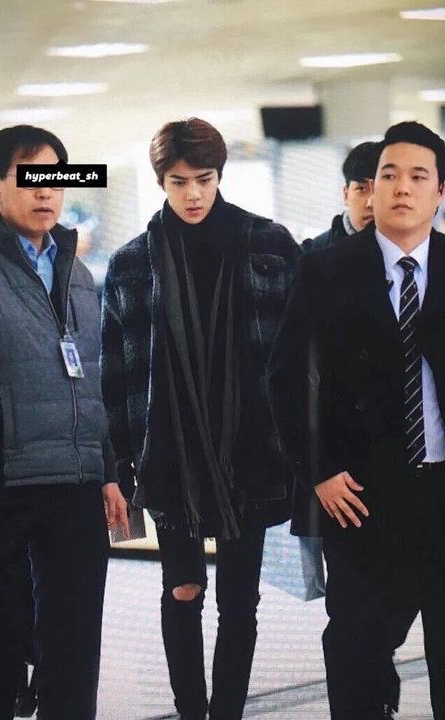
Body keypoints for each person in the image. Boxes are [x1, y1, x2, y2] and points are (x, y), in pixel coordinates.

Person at [101, 117, 299, 720]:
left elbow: (302, 357)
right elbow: (116, 375)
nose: (193, 194)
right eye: (179, 181)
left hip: (252, 450)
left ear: (220, 176)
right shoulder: (132, 263)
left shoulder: (269, 244)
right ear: (161, 181)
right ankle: (192, 710)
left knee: (239, 600)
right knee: (182, 589)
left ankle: (227, 712)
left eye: (204, 179)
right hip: (171, 456)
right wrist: (117, 465)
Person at [268, 120, 445, 720]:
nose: (401, 187)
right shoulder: (326, 269)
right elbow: (284, 378)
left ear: (439, 191)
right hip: (361, 492)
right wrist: (317, 469)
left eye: (417, 176)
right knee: (356, 648)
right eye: (388, 175)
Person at [0, 124, 127, 720]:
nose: (45, 191)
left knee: (74, 649)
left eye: (56, 178)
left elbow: (92, 378)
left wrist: (108, 471)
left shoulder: (78, 272)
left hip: (76, 482)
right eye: (29, 177)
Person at [301, 140, 378, 253]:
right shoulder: (314, 254)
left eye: (379, 191)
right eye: (361, 189)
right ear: (346, 195)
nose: (370, 203)